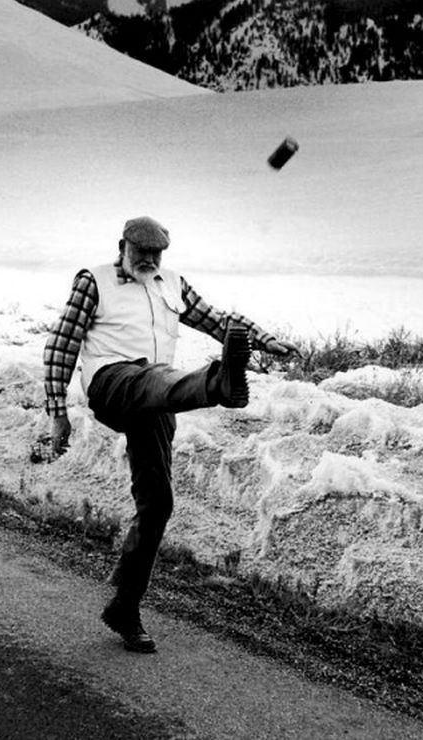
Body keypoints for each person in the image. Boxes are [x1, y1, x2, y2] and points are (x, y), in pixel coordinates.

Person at [40, 215, 299, 653]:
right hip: (112, 382)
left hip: (158, 396)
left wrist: (263, 338)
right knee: (152, 377)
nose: (149, 259)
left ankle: (124, 606)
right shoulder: (94, 282)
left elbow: (217, 320)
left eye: (156, 253)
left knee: (158, 503)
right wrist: (57, 413)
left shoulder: (172, 283)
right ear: (122, 247)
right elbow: (62, 345)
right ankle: (218, 384)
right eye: (141, 252)